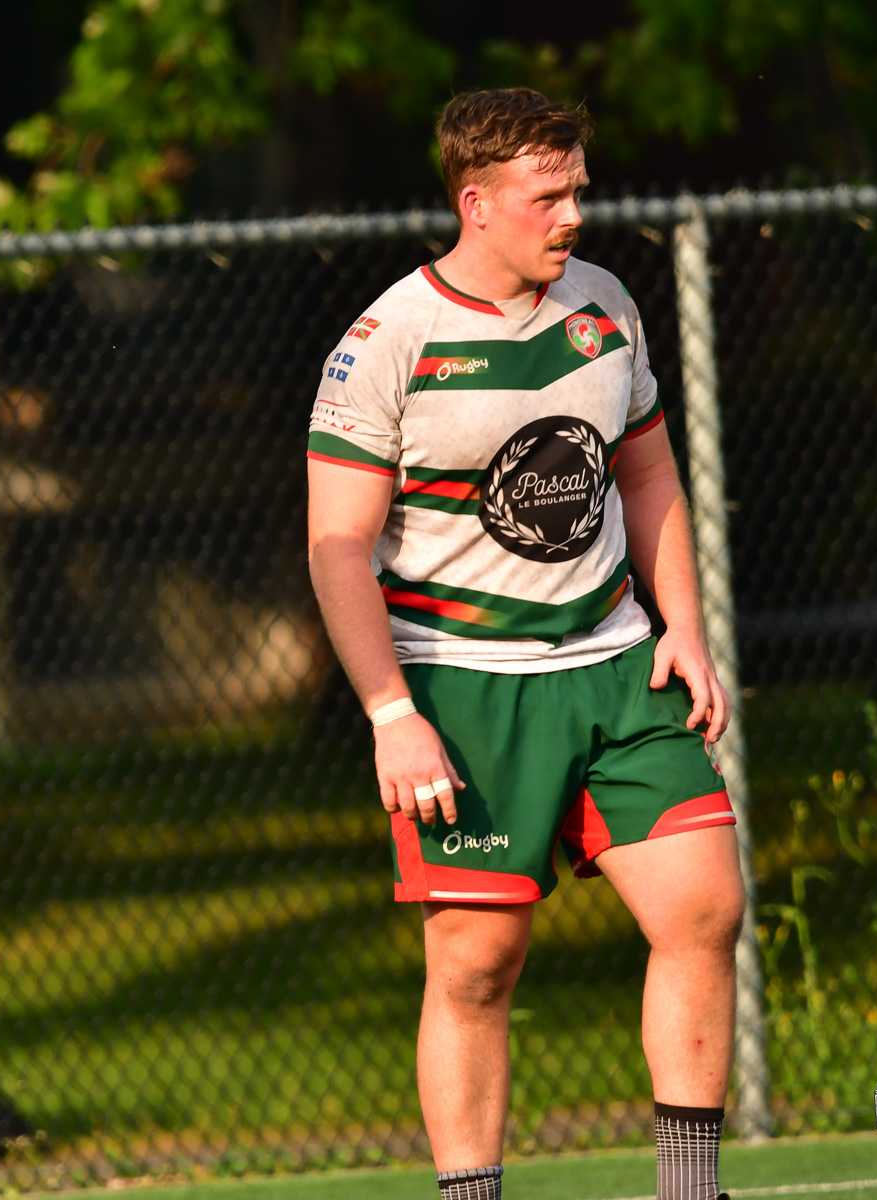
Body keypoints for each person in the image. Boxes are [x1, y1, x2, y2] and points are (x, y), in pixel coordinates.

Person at [305, 90, 743, 1200]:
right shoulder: (387, 342)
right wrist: (393, 717)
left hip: (614, 659)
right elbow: (337, 549)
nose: (573, 217)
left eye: (578, 190)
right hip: (464, 687)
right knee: (476, 966)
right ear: (479, 203)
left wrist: (681, 623)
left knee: (704, 908)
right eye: (550, 197)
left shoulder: (604, 305)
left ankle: (691, 1189)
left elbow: (644, 472)